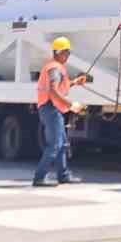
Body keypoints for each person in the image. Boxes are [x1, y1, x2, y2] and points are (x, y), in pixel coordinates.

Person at [33, 37, 88, 186]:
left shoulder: (56, 67)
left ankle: (63, 175)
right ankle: (39, 177)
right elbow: (54, 91)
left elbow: (60, 87)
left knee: (62, 143)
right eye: (67, 52)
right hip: (50, 108)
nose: (68, 55)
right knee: (55, 145)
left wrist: (75, 82)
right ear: (59, 52)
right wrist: (71, 105)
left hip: (52, 108)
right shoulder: (54, 68)